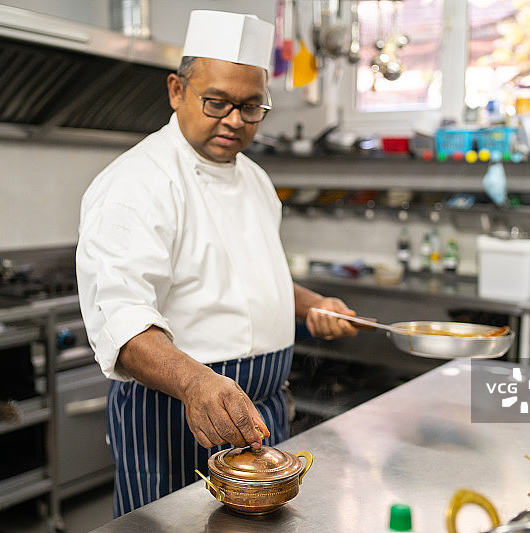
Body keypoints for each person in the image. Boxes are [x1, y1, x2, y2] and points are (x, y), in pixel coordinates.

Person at [76, 9, 358, 517]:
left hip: (262, 415)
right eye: (217, 102)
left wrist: (312, 303)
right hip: (173, 415)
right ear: (176, 91)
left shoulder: (256, 179)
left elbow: (251, 278)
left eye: (251, 107)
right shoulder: (135, 183)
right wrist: (195, 382)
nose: (234, 120)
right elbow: (121, 321)